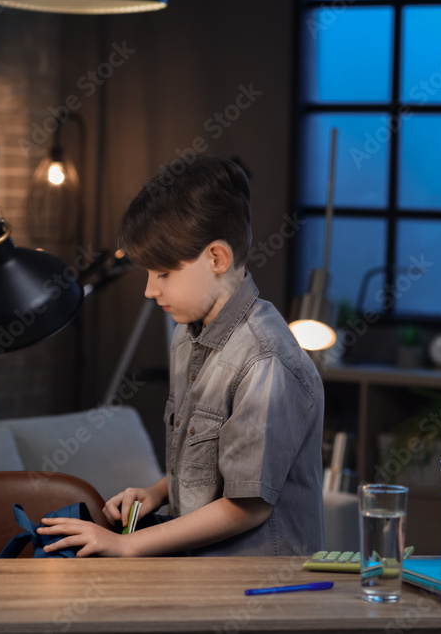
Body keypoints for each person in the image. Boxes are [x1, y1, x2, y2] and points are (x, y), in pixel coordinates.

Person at [37, 156, 325, 557]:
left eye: (163, 274)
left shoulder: (265, 359)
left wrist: (129, 546)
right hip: (200, 576)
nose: (150, 291)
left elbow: (247, 506)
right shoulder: (187, 336)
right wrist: (157, 492)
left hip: (260, 591)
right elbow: (207, 463)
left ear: (217, 259)